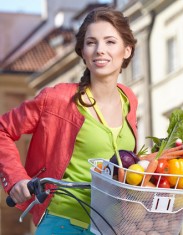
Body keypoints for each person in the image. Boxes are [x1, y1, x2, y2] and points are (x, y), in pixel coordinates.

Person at [0, 6, 138, 235]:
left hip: (111, 227)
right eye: (91, 42)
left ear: (126, 50)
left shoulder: (129, 100)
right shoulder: (57, 98)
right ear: (83, 52)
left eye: (110, 42)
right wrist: (16, 180)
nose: (100, 50)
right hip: (62, 223)